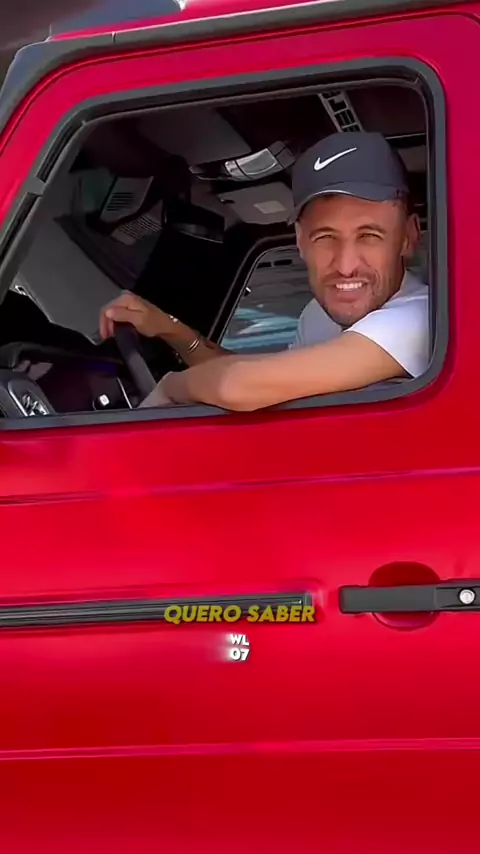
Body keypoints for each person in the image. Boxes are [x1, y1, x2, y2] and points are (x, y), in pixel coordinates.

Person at [99, 131, 428, 411]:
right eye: (325, 238)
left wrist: (170, 387)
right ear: (300, 240)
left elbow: (237, 385)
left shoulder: (419, 318)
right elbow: (261, 380)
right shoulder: (319, 313)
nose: (345, 266)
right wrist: (168, 328)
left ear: (408, 237)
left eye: (369, 236)